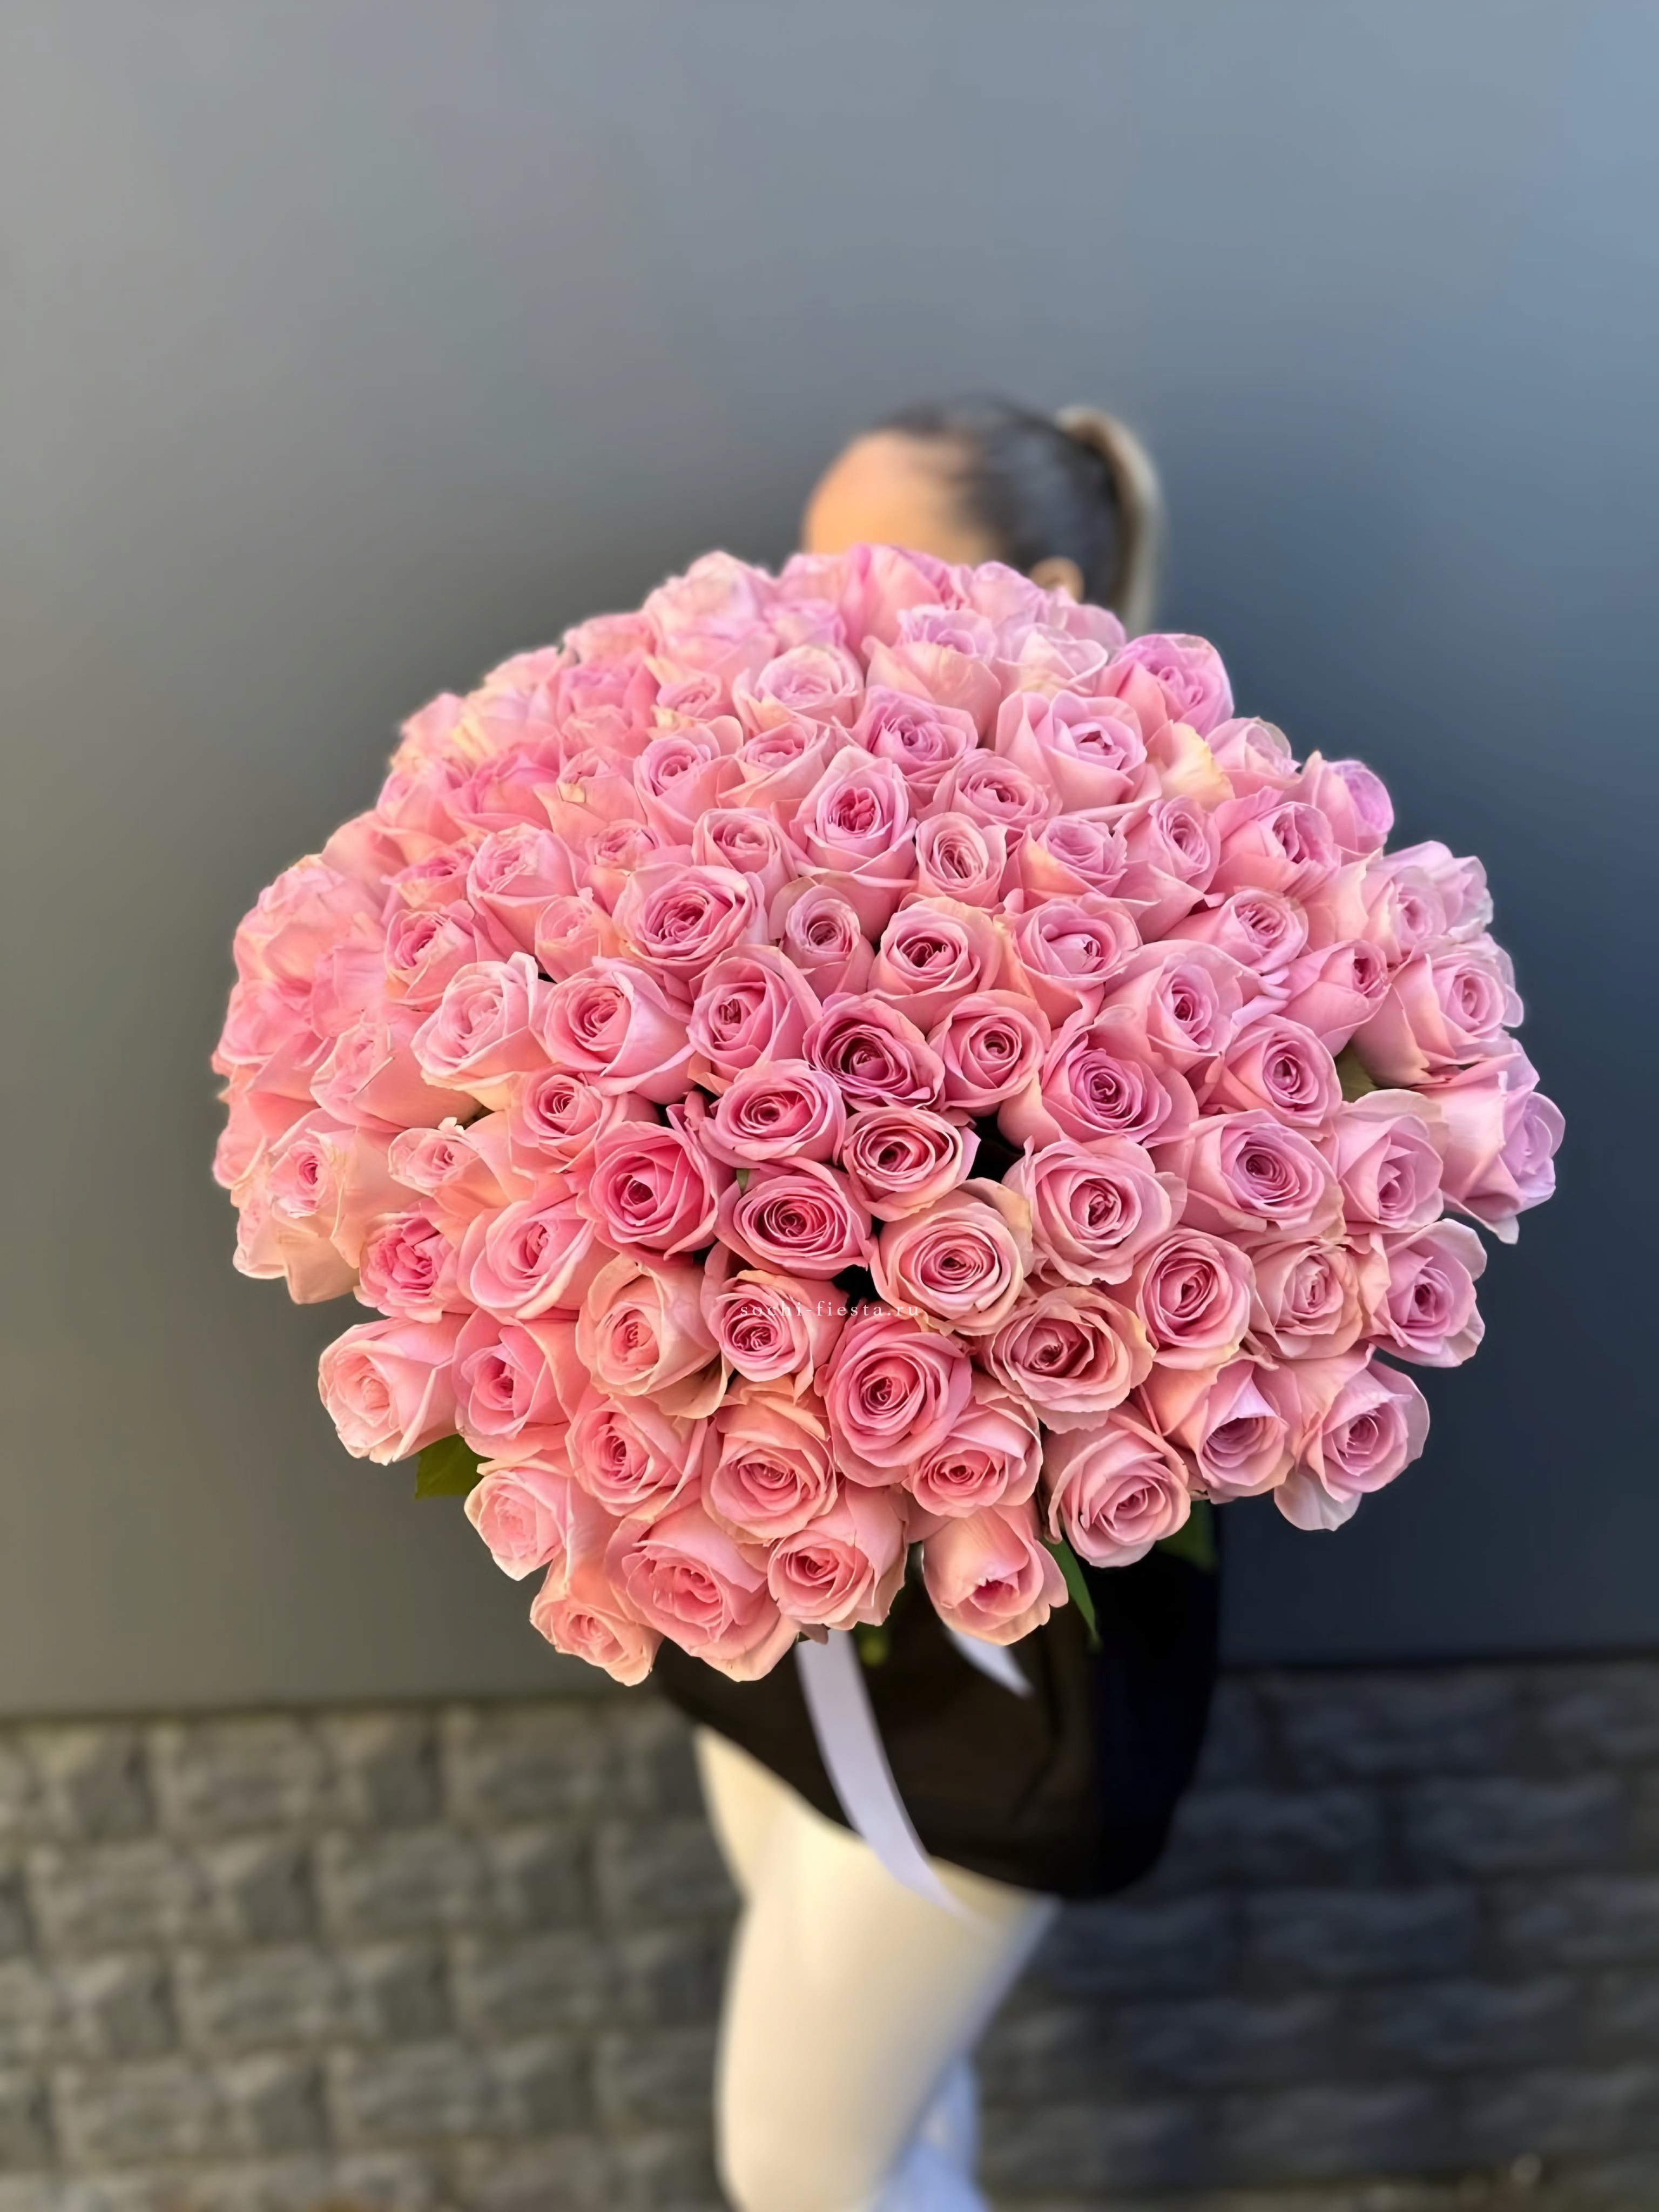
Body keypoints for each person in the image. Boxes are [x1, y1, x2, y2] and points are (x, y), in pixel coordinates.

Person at [651, 397, 1217, 2212]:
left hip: (1002, 1653)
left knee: (803, 2163)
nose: (810, 611)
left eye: (867, 574)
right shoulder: (778, 836)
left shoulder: (1184, 872)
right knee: (892, 2120)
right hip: (779, 1615)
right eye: (803, 569)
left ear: (1041, 593)